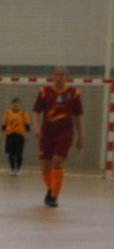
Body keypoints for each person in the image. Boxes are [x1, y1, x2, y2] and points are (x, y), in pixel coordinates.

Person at [31, 66, 84, 208]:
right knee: (45, 166)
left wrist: (81, 136)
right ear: (53, 76)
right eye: (56, 74)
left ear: (67, 77)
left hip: (65, 133)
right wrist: (36, 127)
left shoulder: (74, 93)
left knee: (57, 160)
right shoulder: (45, 92)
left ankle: (54, 196)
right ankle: (51, 189)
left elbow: (78, 117)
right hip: (47, 133)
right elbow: (35, 112)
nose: (59, 77)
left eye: (62, 75)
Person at [1, 97, 30, 176]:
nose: (15, 104)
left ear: (19, 104)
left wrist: (27, 134)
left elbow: (27, 125)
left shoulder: (23, 113)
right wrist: (3, 132)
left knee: (19, 153)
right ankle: (12, 169)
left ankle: (18, 169)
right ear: (11, 104)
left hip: (19, 135)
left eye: (17, 103)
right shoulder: (8, 113)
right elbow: (4, 124)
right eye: (14, 103)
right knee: (11, 153)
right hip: (10, 134)